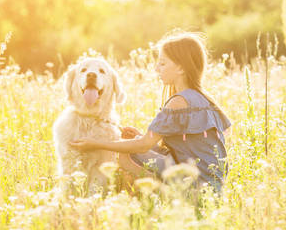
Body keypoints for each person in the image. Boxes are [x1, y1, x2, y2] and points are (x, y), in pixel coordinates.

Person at [69, 31, 231, 192]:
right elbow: (192, 145)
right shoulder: (204, 99)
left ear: (181, 68)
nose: (156, 68)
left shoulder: (178, 102)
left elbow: (143, 145)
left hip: (193, 184)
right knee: (130, 143)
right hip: (211, 184)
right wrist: (139, 137)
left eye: (162, 63)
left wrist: (94, 144)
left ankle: (160, 191)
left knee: (128, 154)